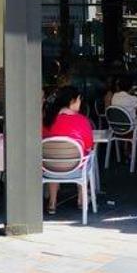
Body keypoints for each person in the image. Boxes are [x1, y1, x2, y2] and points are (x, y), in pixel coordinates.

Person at [42, 85, 94, 214]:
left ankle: (52, 202)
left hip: (50, 169)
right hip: (76, 170)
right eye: (79, 100)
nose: (80, 103)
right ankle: (82, 199)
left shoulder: (47, 120)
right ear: (72, 101)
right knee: (88, 155)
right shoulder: (82, 121)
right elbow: (89, 145)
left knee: (53, 156)